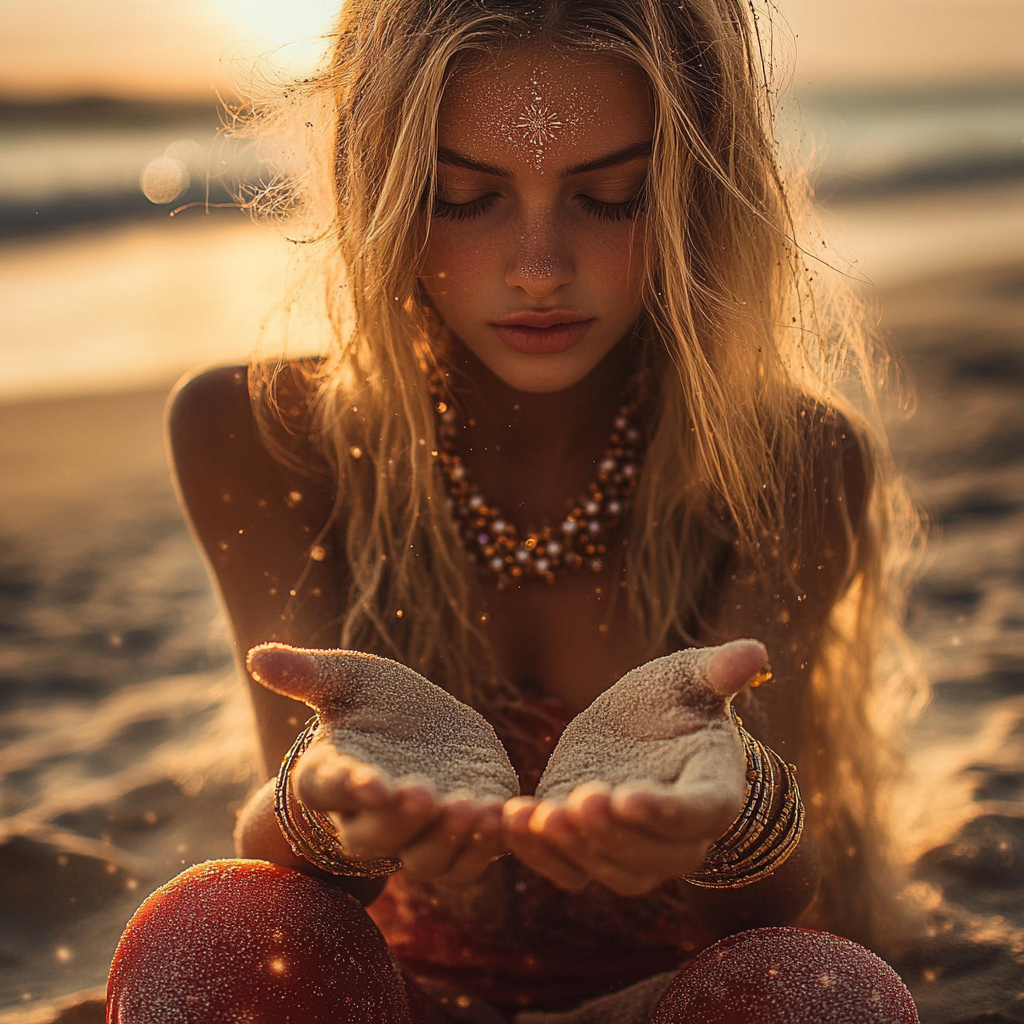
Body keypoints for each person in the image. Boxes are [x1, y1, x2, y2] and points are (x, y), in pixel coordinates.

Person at [106, 1, 924, 1021]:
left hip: (662, 996)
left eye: (612, 197)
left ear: (694, 193)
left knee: (820, 992)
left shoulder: (791, 456)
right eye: (463, 198)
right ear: (384, 191)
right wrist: (328, 804)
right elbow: (292, 889)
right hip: (397, 1000)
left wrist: (739, 803)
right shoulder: (258, 431)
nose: (539, 265)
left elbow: (774, 903)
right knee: (210, 936)